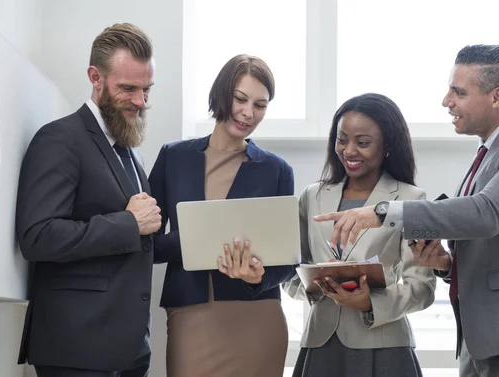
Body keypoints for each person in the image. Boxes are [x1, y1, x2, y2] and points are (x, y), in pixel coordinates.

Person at [315, 44, 499, 377]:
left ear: (497, 97)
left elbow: (486, 213)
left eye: (458, 92)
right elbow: (491, 238)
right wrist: (447, 265)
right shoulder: (488, 154)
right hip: (482, 340)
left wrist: (381, 213)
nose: (446, 100)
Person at [15, 23, 159, 377]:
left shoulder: (130, 151)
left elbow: (139, 244)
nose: (140, 101)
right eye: (128, 88)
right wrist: (128, 222)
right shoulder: (60, 139)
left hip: (128, 350)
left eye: (146, 89)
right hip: (77, 349)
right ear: (95, 77)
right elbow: (38, 236)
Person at [148, 54, 296, 377]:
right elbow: (147, 242)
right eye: (240, 99)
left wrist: (259, 277)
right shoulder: (173, 158)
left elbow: (288, 261)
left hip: (258, 319)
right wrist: (195, 239)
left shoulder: (277, 171)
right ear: (221, 93)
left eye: (260, 105)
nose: (248, 112)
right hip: (191, 316)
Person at [283, 93, 436, 377]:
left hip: (384, 345)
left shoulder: (410, 199)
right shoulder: (312, 196)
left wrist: (369, 302)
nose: (349, 151)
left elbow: (422, 288)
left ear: (387, 145)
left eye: (363, 143)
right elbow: (290, 274)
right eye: (342, 140)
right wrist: (315, 288)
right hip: (321, 342)